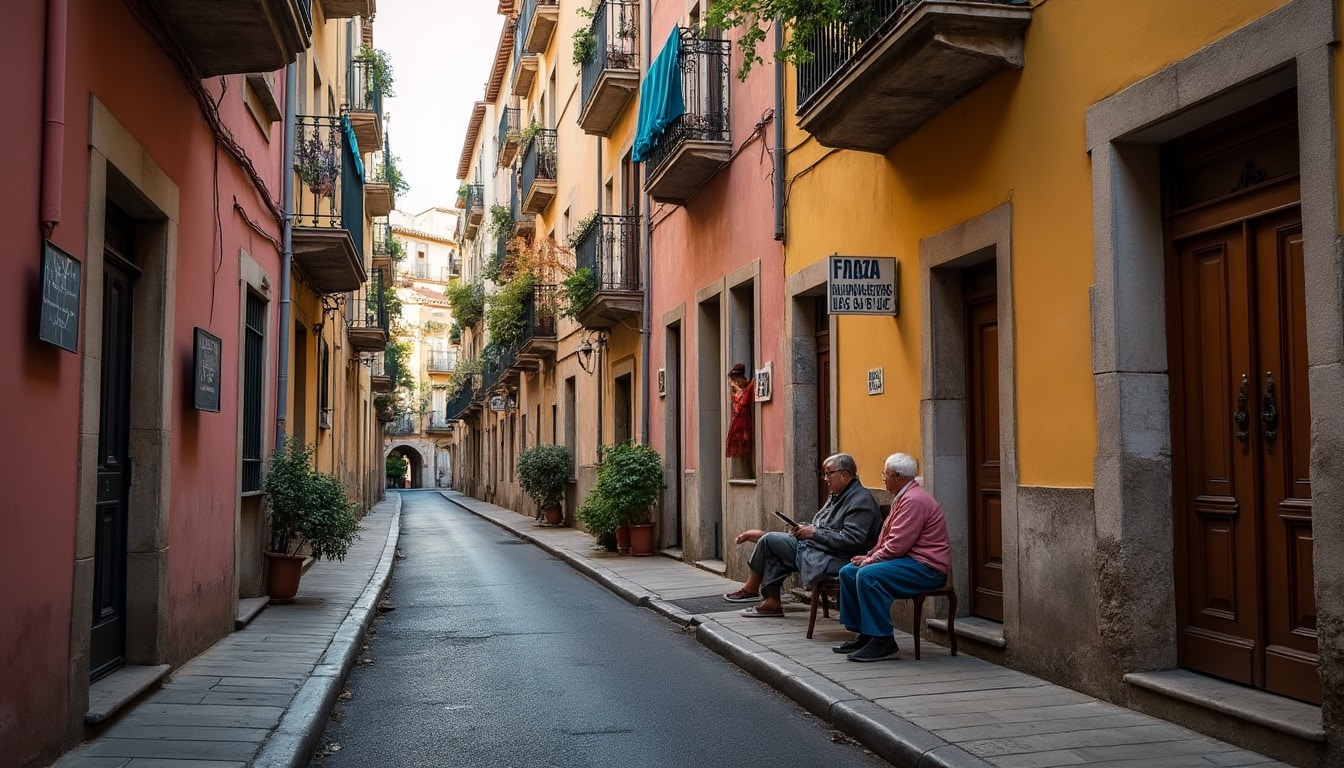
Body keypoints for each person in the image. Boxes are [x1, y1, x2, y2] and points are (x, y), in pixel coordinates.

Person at [723, 453, 883, 617]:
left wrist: (814, 533)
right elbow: (824, 525)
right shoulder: (838, 495)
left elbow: (852, 540)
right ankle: (770, 601)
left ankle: (755, 591)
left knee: (769, 541)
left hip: (837, 557)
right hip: (819, 549)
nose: (825, 478)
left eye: (829, 473)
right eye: (824, 474)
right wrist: (805, 529)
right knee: (771, 544)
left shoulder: (860, 500)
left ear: (844, 474)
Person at [833, 452, 951, 662]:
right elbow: (887, 539)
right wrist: (869, 555)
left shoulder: (914, 500)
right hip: (909, 561)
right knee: (849, 572)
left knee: (868, 575)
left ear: (898, 476)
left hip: (926, 567)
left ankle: (883, 640)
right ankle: (866, 634)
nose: (883, 478)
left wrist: (869, 561)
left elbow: (897, 545)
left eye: (885, 474)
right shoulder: (904, 496)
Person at [725, 363, 754, 462]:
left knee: (746, 442)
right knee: (740, 444)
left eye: (731, 380)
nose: (730, 383)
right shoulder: (735, 393)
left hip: (744, 421)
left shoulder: (747, 390)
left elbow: (744, 401)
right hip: (737, 422)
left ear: (736, 380)